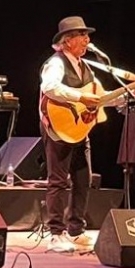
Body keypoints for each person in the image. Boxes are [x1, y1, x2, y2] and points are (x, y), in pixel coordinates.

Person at [38, 16, 103, 252]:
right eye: (82, 36)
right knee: (58, 180)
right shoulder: (56, 63)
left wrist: (126, 94)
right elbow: (50, 87)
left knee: (83, 179)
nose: (87, 40)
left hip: (79, 130)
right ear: (67, 41)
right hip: (58, 128)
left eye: (87, 36)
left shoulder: (84, 66)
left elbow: (98, 95)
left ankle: (76, 230)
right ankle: (55, 233)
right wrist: (79, 97)